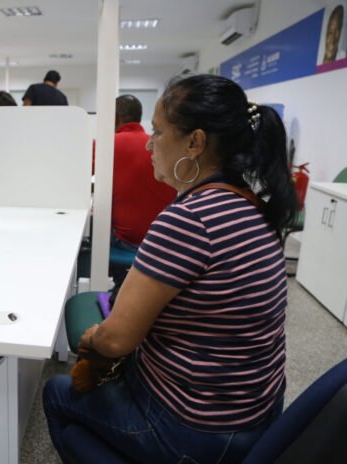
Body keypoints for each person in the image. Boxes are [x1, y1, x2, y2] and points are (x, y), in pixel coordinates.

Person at [43, 74, 298, 463]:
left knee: (57, 392)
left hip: (194, 429)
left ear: (195, 143)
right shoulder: (252, 205)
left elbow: (116, 341)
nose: (149, 144)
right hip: (255, 413)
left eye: (158, 132)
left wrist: (93, 337)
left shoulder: (190, 219)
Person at [109, 94, 176, 285]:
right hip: (163, 241)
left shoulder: (108, 144)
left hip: (127, 241)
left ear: (114, 118)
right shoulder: (162, 146)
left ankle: (114, 291)